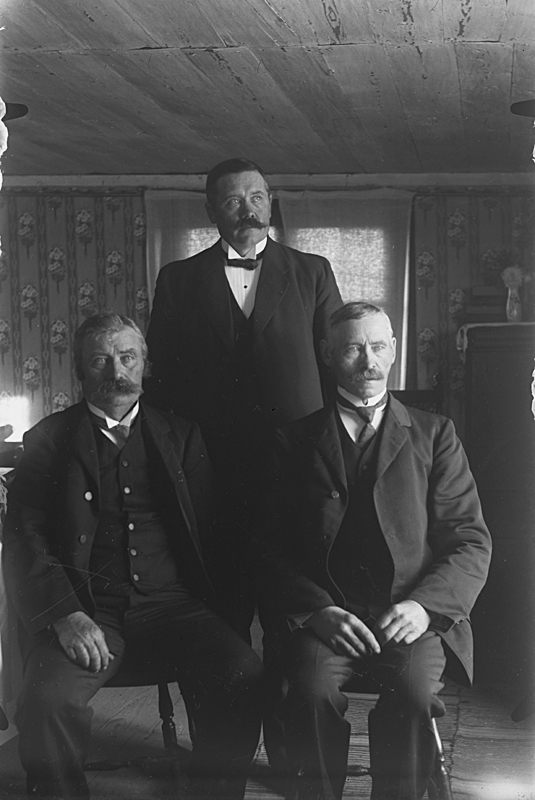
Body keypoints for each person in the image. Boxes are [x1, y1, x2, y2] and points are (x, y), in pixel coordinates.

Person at [2, 312, 264, 800]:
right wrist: (64, 614)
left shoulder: (181, 435)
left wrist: (226, 621)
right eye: (100, 360)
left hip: (174, 607)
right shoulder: (49, 439)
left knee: (241, 671)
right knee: (46, 702)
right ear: (80, 371)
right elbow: (23, 537)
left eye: (127, 358)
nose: (116, 372)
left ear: (146, 365)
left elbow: (215, 536)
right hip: (87, 609)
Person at [254, 302, 492, 800]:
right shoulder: (292, 441)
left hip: (409, 615)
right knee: (311, 693)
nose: (368, 361)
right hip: (327, 618)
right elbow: (267, 547)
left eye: (378, 346)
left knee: (414, 694)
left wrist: (423, 607)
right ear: (327, 354)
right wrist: (318, 611)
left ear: (395, 350)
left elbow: (469, 540)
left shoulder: (435, 435)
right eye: (353, 349)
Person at [144, 158, 343, 638]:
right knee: (223, 598)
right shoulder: (178, 279)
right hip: (211, 465)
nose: (247, 210)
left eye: (256, 198)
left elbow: (337, 366)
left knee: (291, 602)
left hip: (295, 463)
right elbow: (161, 378)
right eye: (232, 200)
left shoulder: (313, 272)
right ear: (211, 210)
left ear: (270, 204)